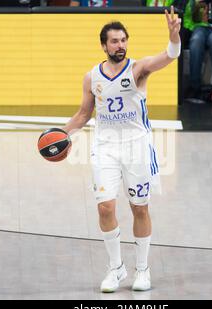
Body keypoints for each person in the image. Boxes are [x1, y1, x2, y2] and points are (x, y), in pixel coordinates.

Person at [62, 7, 181, 292]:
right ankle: (116, 269)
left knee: (139, 208)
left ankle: (142, 269)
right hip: (106, 148)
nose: (120, 45)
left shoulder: (138, 69)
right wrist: (62, 136)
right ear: (104, 45)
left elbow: (169, 56)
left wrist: (174, 37)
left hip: (136, 147)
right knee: (105, 208)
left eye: (123, 40)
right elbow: (82, 114)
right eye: (114, 41)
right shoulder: (92, 77)